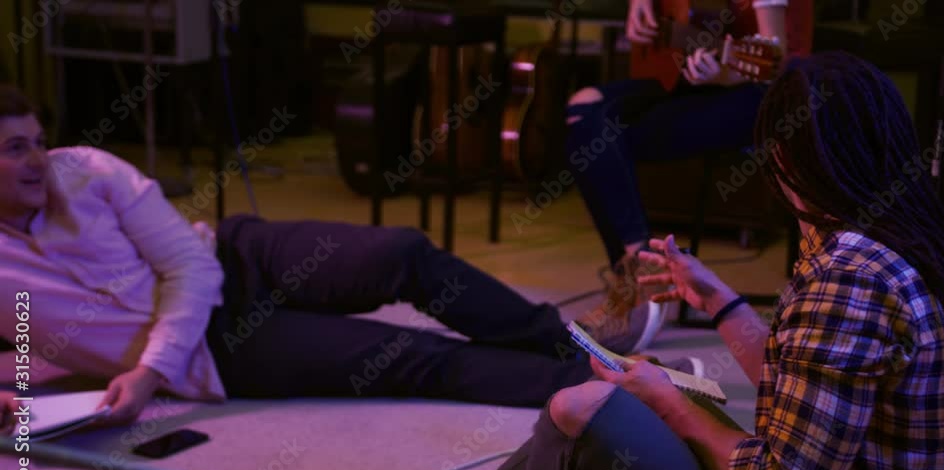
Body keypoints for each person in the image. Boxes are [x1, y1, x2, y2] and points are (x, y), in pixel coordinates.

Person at [373, 51, 944, 470]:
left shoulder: (847, 282)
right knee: (618, 390)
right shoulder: (886, 243)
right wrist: (718, 299)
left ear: (787, 163)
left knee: (582, 410)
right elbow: (798, 389)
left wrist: (669, 402)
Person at [0, 84, 697, 428]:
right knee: (410, 356)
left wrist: (145, 373)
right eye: (12, 148)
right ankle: (622, 389)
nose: (36, 159)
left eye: (35, 140)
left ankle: (579, 344)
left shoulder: (88, 169)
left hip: (233, 257)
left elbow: (190, 266)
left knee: (405, 253)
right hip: (214, 348)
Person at [567, 0, 814, 346]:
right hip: (692, 79)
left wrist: (723, 73)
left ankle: (638, 287)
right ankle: (638, 272)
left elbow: (773, 61)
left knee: (600, 143)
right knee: (582, 112)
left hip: (762, 93)